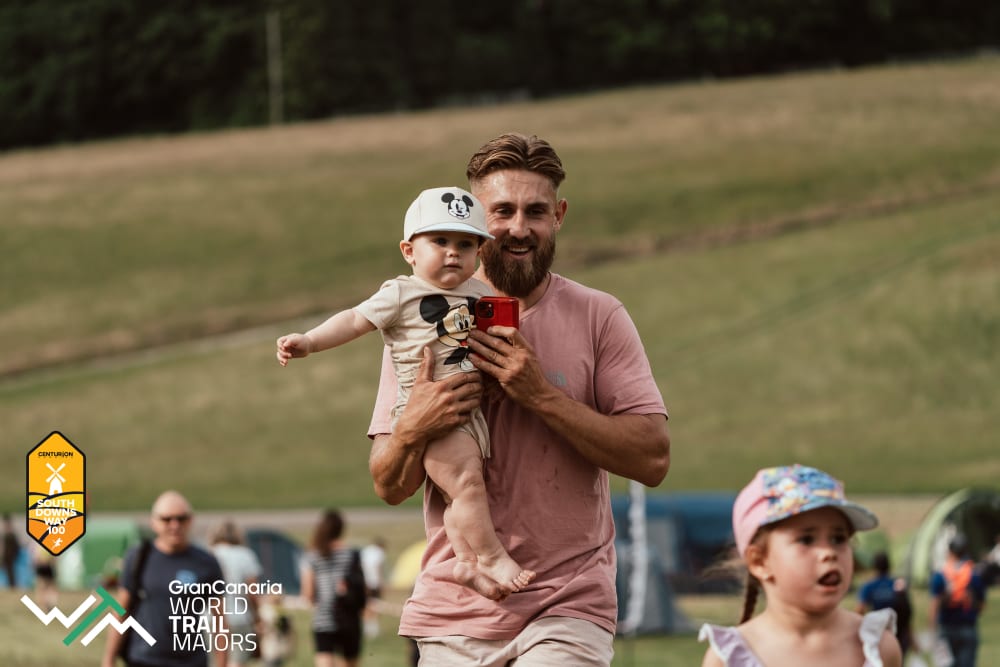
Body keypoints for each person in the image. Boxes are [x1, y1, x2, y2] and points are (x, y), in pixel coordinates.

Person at [367, 133, 671, 665]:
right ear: (474, 218)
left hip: (567, 604)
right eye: (502, 211)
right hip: (451, 612)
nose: (519, 228)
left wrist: (540, 395)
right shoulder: (421, 318)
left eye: (536, 211)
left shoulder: (600, 316)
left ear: (560, 216)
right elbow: (389, 485)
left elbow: (653, 457)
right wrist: (415, 427)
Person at [277, 185, 534, 600]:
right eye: (440, 241)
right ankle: (491, 556)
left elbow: (497, 346)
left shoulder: (481, 295)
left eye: (465, 244)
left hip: (468, 413)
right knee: (467, 485)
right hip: (430, 412)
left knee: (460, 493)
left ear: (479, 252)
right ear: (409, 251)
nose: (453, 253)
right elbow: (354, 320)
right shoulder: (401, 293)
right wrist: (309, 341)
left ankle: (465, 562)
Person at [699, 464, 901, 667]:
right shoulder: (727, 659)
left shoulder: (879, 647)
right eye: (806, 540)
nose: (828, 553)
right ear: (759, 562)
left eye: (838, 539)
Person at [101, 490, 229, 667]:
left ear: (191, 520)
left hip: (190, 662)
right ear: (154, 522)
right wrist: (109, 659)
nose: (174, 525)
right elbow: (121, 610)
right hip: (144, 659)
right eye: (167, 519)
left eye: (181, 518)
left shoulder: (206, 563)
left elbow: (219, 621)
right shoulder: (139, 557)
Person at [301, 509, 368, 667]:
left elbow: (308, 593)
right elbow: (362, 587)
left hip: (323, 618)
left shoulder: (313, 556)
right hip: (349, 618)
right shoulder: (352, 554)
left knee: (324, 661)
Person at [928, 533, 987, 667]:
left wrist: (932, 631)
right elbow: (981, 605)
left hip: (946, 628)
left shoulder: (941, 575)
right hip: (968, 627)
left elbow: (934, 606)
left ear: (949, 551)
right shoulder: (973, 574)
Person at [211, 519, 264, 666]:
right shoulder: (245, 555)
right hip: (239, 617)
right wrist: (257, 617)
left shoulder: (208, 554)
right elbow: (252, 592)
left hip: (211, 618)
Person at [856, 551, 914, 659]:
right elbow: (907, 612)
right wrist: (912, 638)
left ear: (874, 567)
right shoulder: (897, 584)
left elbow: (860, 610)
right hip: (899, 633)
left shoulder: (869, 586)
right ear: (889, 566)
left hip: (879, 633)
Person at [359, 537, 386, 638]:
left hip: (363, 582)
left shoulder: (366, 551)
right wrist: (381, 582)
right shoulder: (379, 553)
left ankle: (367, 627)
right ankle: (373, 628)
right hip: (374, 583)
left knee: (366, 604)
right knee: (375, 604)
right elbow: (378, 568)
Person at [2, 512, 21, 589]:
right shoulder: (6, 533)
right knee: (9, 572)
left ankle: (13, 586)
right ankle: (11, 585)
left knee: (11, 572)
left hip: (11, 556)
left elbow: (16, 546)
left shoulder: (11, 534)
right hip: (7, 556)